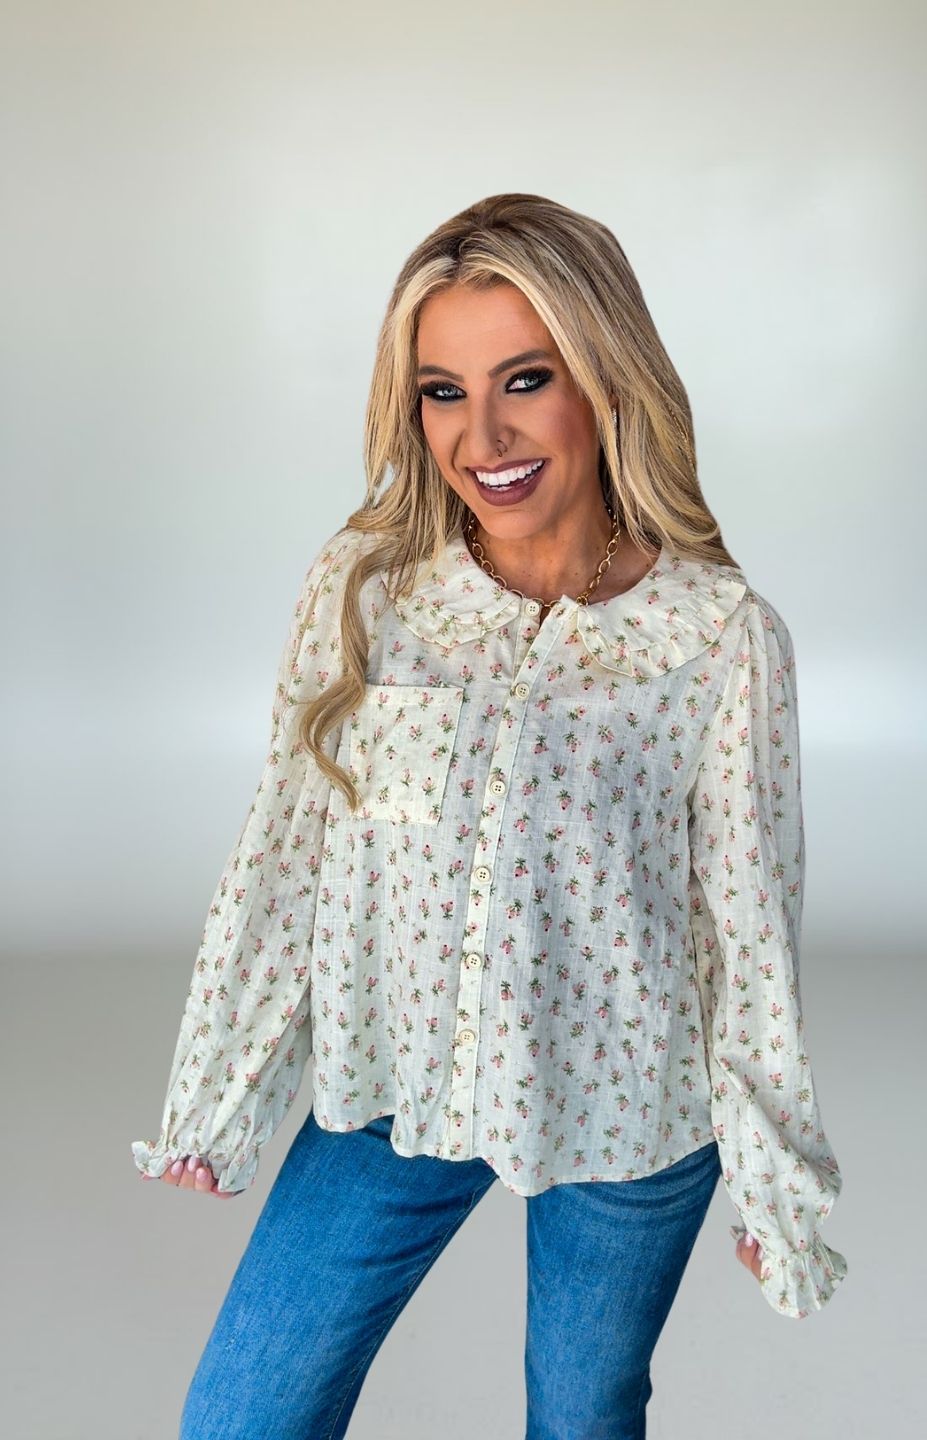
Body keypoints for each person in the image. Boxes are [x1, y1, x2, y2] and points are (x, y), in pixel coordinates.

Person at [131, 192, 848, 1439]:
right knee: (242, 1415)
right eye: (442, 391)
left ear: (605, 377)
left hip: (632, 1111)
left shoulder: (721, 637)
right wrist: (223, 1087)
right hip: (399, 1087)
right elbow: (288, 852)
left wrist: (772, 1178)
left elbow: (746, 931)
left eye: (526, 378)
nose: (484, 435)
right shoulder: (368, 591)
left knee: (583, 1417)